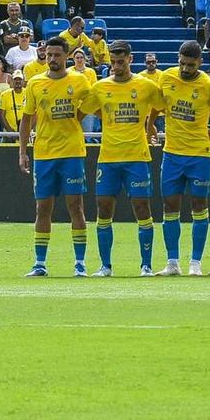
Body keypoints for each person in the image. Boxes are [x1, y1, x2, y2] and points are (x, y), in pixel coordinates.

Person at [16, 37, 94, 278]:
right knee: (43, 208)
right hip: (45, 154)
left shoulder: (79, 81)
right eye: (48, 55)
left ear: (67, 57)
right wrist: (22, 152)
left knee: (75, 207)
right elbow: (27, 119)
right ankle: (40, 263)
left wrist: (76, 117)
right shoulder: (36, 83)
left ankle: (80, 263)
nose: (51, 59)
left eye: (56, 55)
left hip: (72, 153)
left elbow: (92, 103)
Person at [86, 40, 162, 277]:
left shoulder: (146, 86)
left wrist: (150, 126)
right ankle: (105, 266)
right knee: (104, 208)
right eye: (113, 61)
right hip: (108, 158)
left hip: (137, 157)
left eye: (121, 61)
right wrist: (106, 116)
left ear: (130, 59)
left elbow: (160, 106)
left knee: (142, 207)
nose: (117, 65)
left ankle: (146, 265)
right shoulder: (100, 87)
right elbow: (87, 109)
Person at [155, 41, 210, 277]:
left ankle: (195, 262)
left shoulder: (208, 85)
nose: (185, 69)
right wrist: (149, 129)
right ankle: (172, 262)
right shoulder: (166, 78)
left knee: (199, 205)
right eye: (182, 64)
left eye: (191, 65)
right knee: (170, 206)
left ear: (200, 62)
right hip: (172, 153)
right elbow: (156, 107)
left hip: (199, 155)